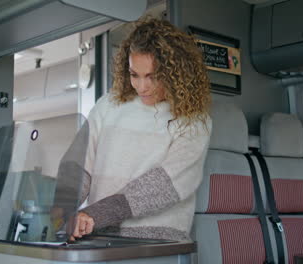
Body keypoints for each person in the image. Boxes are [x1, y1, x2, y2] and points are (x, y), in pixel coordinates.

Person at [71, 18, 212, 241]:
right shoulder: (108, 104)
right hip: (97, 234)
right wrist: (60, 211)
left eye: (152, 77)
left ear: (175, 72)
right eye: (134, 74)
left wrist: (95, 214)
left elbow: (166, 184)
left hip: (157, 239)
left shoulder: (193, 119)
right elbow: (80, 168)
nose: (142, 87)